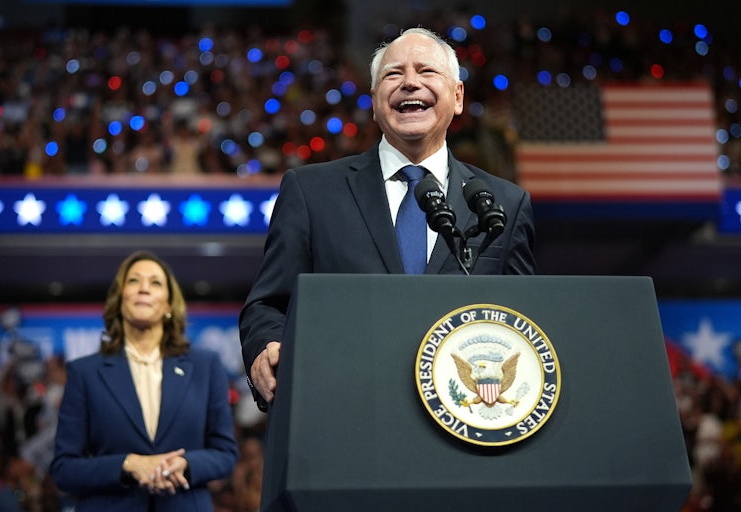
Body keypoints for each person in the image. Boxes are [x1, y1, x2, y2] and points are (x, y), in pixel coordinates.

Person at [239, 27, 537, 411]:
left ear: (458, 97)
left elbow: (524, 320)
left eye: (427, 71)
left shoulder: (503, 204)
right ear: (375, 100)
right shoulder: (311, 192)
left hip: (465, 427)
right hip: (342, 412)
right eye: (394, 74)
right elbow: (268, 304)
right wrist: (266, 348)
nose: (410, 83)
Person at [49, 250, 238, 511]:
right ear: (119, 298)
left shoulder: (205, 366)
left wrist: (187, 464)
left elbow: (226, 454)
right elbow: (64, 469)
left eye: (156, 283)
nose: (144, 289)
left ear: (169, 304)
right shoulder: (85, 373)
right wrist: (128, 464)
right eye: (134, 281)